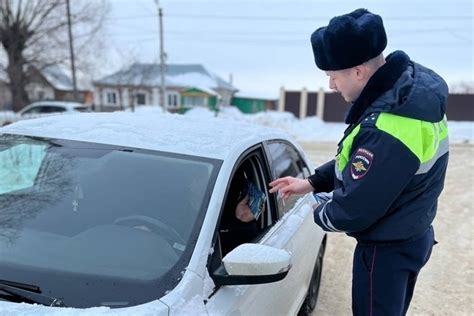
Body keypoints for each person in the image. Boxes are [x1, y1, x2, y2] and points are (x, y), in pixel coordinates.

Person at [269, 8, 449, 316]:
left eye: (333, 76)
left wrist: (313, 211)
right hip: (413, 232)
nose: (331, 86)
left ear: (357, 72)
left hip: (386, 251)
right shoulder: (410, 96)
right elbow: (360, 163)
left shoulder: (387, 126)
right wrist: (313, 182)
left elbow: (354, 209)